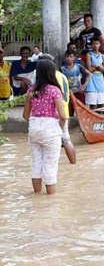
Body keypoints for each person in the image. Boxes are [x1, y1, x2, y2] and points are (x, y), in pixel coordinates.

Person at [22, 60, 67, 194]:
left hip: (34, 126)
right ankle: (50, 201)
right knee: (50, 165)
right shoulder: (54, 90)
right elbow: (63, 116)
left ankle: (36, 196)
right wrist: (60, 128)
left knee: (36, 162)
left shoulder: (31, 90)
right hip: (50, 127)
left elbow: (25, 116)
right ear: (51, 73)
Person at [39, 54, 76, 165]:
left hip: (54, 112)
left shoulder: (48, 77)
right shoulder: (62, 75)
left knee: (53, 139)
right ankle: (73, 163)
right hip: (64, 109)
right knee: (65, 138)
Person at [84, 38, 104, 109]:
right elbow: (89, 69)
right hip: (91, 80)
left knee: (101, 104)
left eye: (97, 43)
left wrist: (96, 67)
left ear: (100, 45)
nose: (95, 45)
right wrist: (99, 67)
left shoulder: (102, 56)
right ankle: (94, 119)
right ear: (91, 45)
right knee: (93, 104)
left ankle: (100, 118)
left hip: (100, 80)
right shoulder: (89, 55)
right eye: (93, 44)